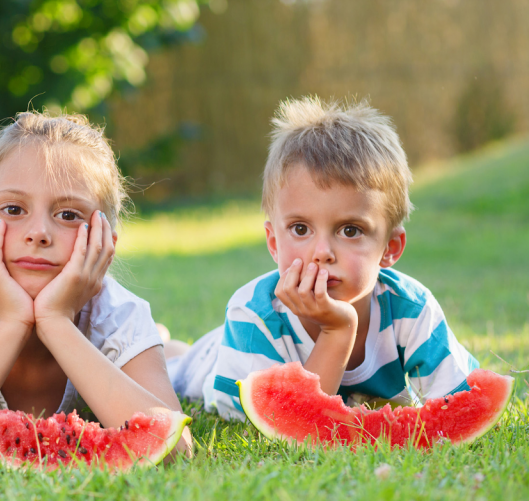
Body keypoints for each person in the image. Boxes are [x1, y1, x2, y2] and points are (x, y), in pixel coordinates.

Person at [0, 111, 191, 454]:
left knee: (177, 359)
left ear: (105, 244)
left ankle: (167, 343)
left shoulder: (120, 314)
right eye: (14, 210)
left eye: (68, 215)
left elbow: (175, 446)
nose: (39, 234)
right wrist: (13, 322)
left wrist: (55, 321)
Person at [168, 97, 479, 420]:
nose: (322, 253)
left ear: (390, 248)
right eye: (301, 228)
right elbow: (289, 426)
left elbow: (460, 402)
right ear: (274, 242)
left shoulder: (411, 311)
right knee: (177, 364)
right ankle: (168, 346)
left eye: (350, 230)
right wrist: (337, 330)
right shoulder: (252, 319)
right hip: (216, 356)